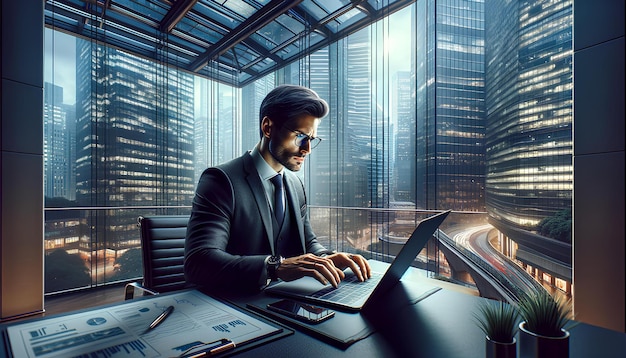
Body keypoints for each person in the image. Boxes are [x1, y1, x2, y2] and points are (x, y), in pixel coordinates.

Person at [184, 84, 371, 293]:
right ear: (268, 127)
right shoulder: (221, 180)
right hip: (236, 304)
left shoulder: (295, 184)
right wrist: (274, 267)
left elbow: (308, 243)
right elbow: (199, 262)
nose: (307, 149)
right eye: (300, 136)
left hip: (285, 302)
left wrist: (327, 258)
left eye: (311, 139)